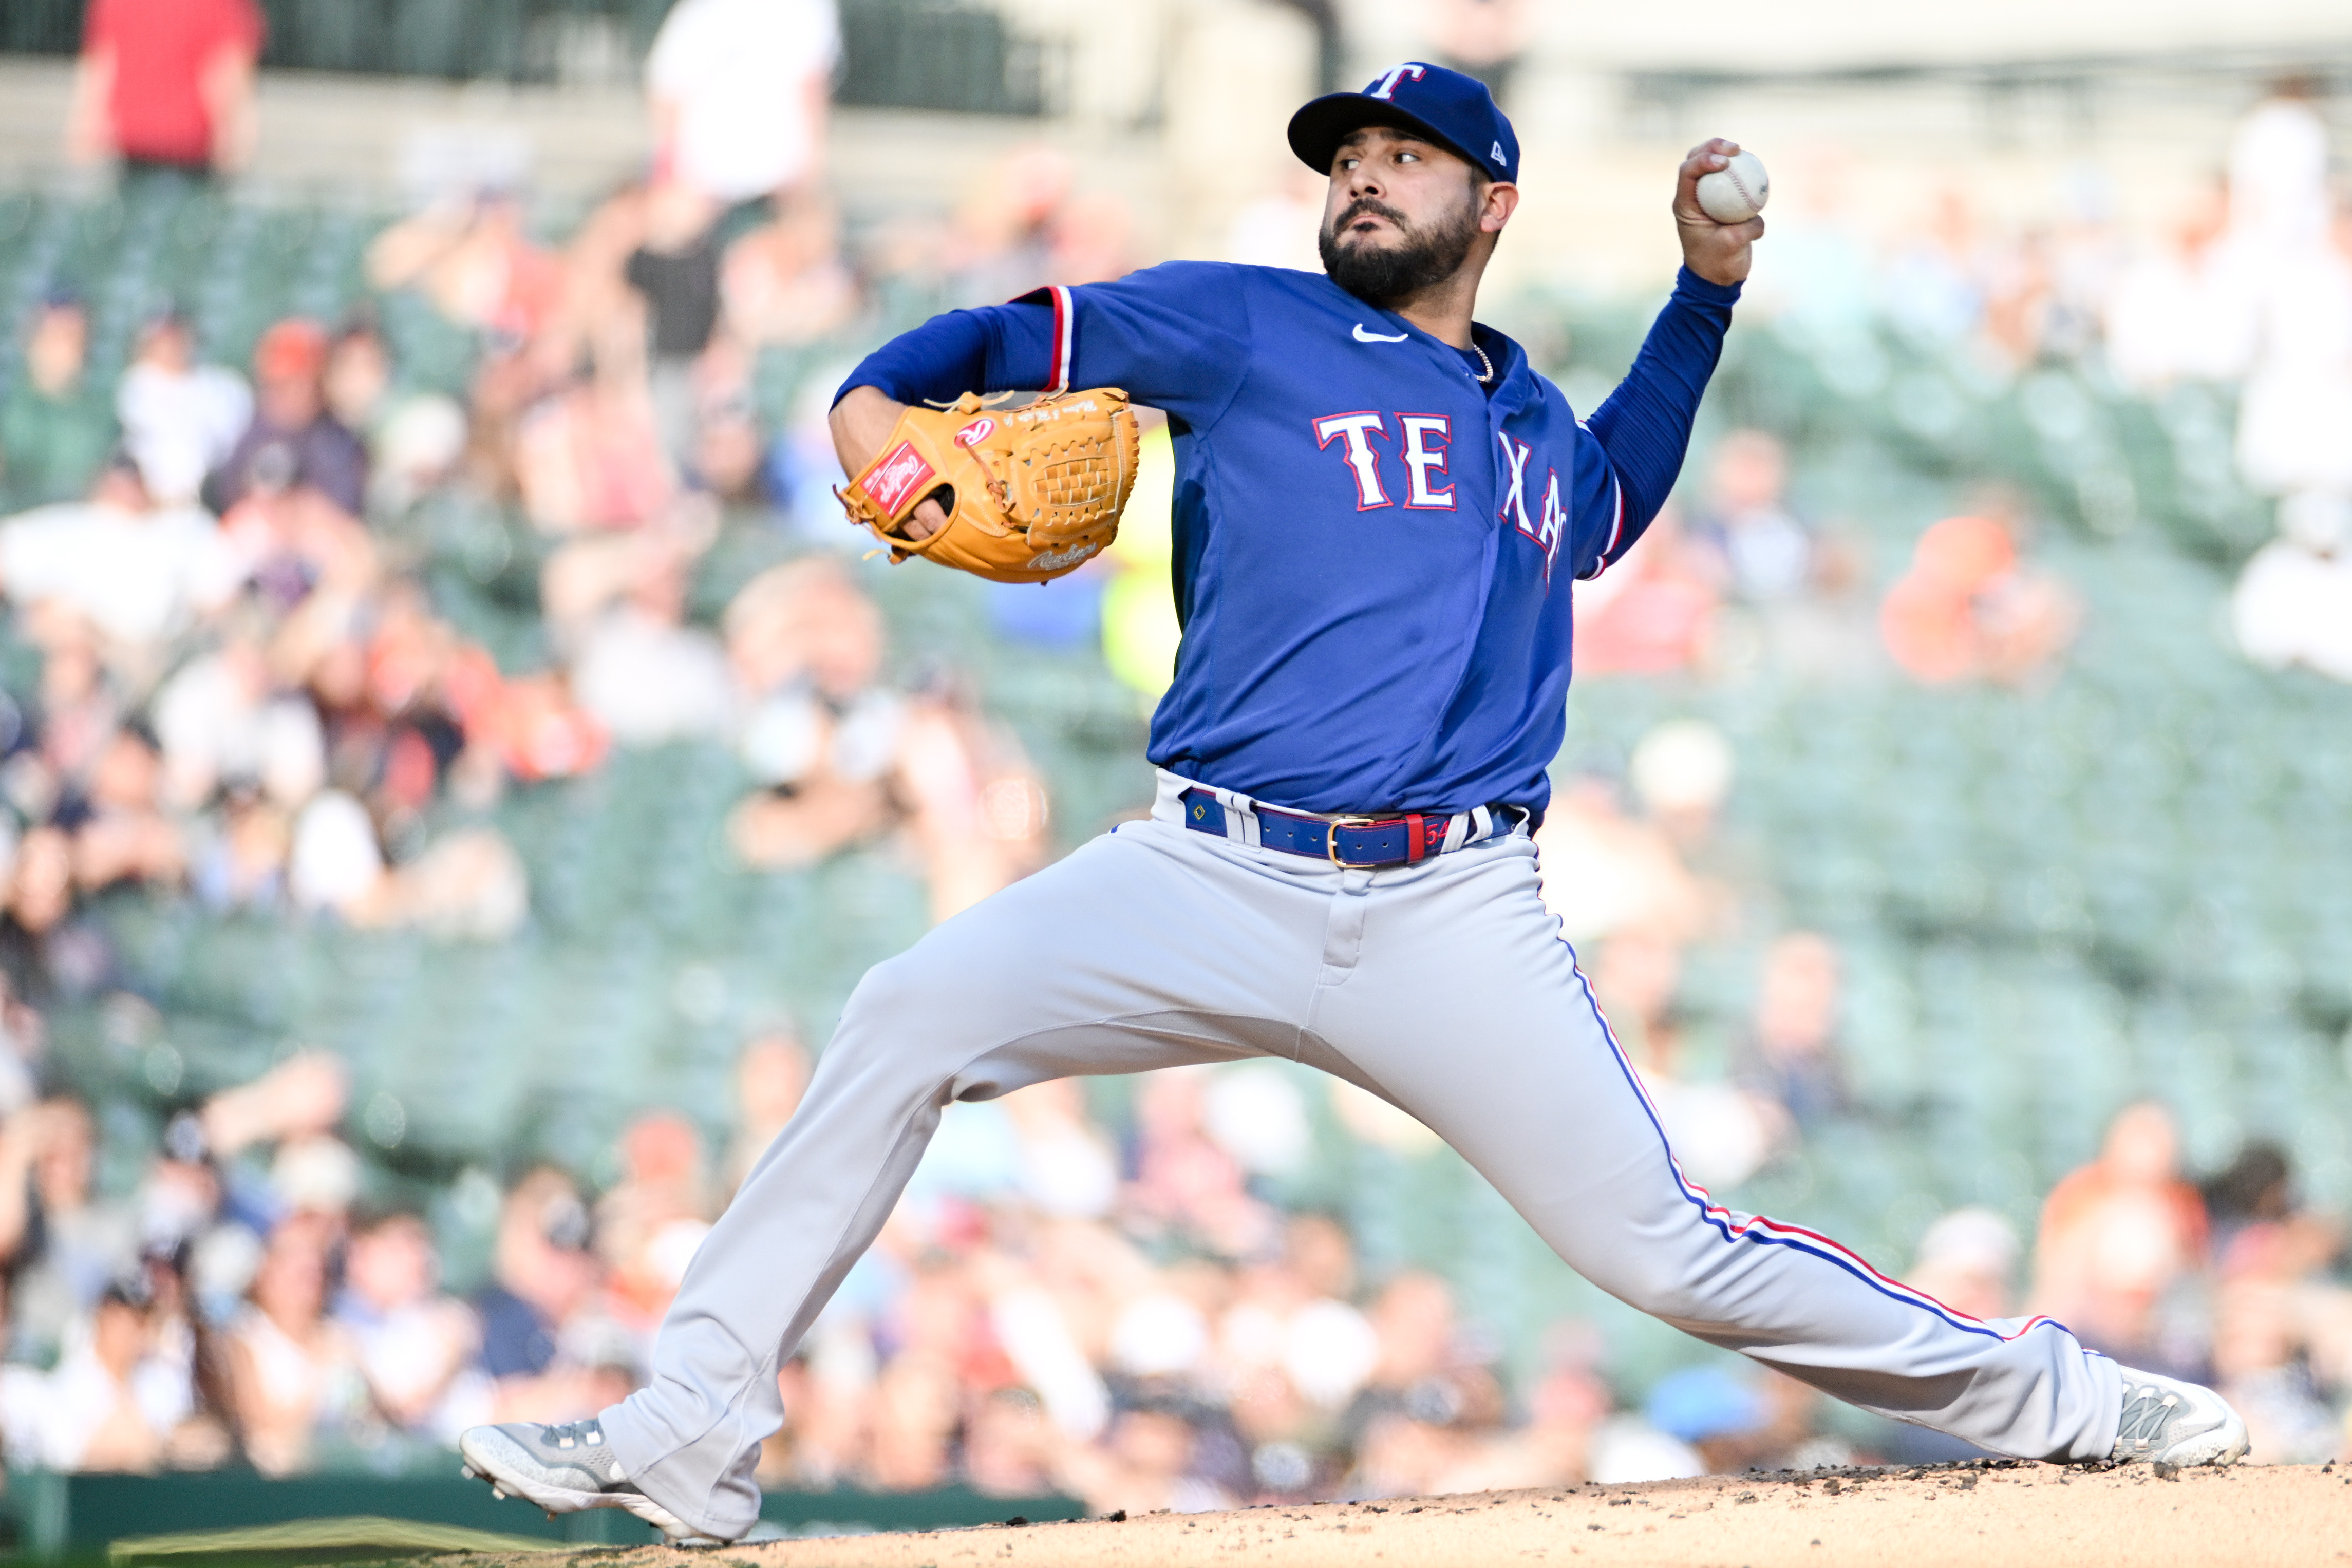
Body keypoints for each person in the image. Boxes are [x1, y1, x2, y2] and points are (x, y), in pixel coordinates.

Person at [458, 64, 2248, 1545]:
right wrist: (870, 421)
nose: (1364, 180)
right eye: (1348, 158)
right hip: (1199, 866)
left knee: (1673, 1254)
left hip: (1447, 917)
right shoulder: (1245, 329)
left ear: (1491, 205)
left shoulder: (1530, 419)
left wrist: (1700, 291)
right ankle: (693, 1423)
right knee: (904, 1010)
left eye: (1407, 157)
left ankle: (2069, 1398)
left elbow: (1611, 502)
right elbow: (988, 338)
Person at [66, 0, 264, 180]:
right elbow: (224, 69)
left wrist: (86, 123)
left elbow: (102, 61)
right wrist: (233, 133)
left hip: (134, 140)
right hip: (189, 145)